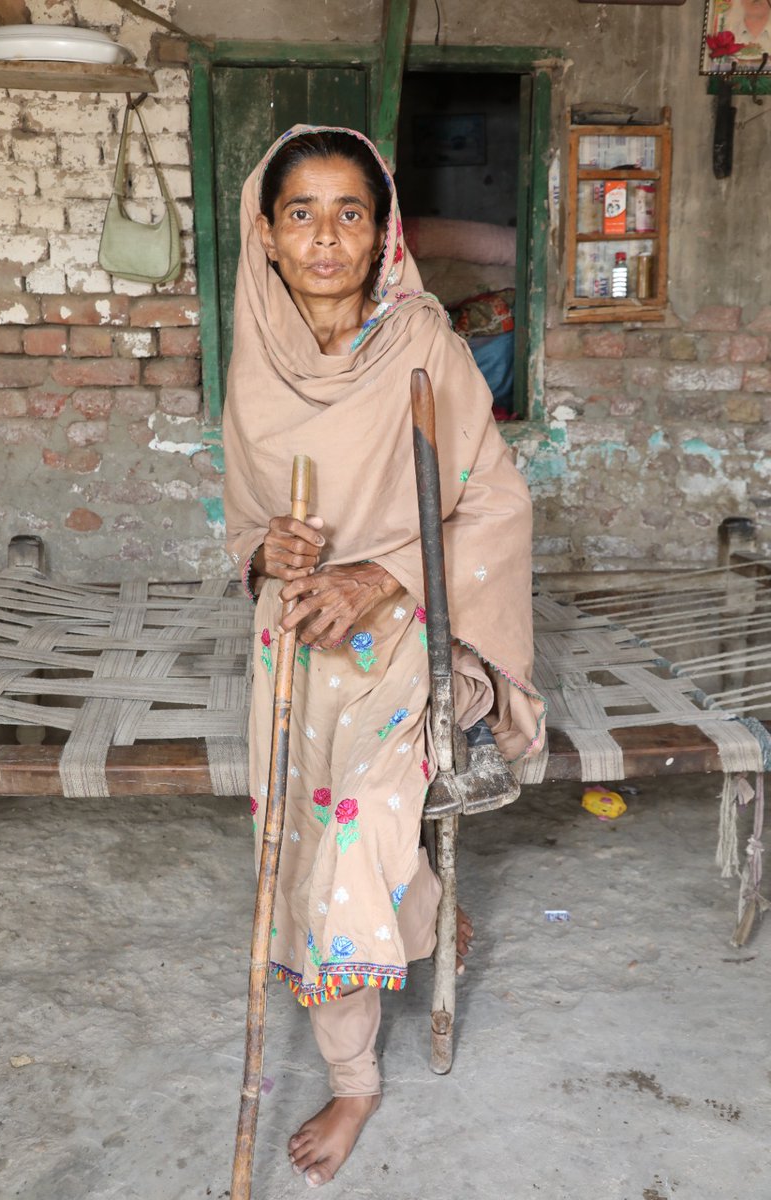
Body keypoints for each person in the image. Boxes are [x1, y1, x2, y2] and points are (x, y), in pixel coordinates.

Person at [223, 125, 545, 1188]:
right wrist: (271, 550)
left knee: (345, 847)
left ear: (381, 231)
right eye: (300, 214)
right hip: (294, 646)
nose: (324, 236)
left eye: (348, 213)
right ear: (265, 235)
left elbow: (495, 499)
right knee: (306, 837)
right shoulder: (254, 352)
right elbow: (244, 528)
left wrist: (383, 574)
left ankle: (354, 1077)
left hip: (406, 635)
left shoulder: (423, 346)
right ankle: (425, 906)